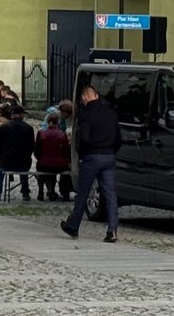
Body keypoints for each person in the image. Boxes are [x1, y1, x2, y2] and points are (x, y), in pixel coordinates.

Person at [61, 82, 121, 242]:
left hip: (92, 157)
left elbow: (85, 138)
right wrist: (112, 151)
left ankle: (73, 226)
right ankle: (112, 230)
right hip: (109, 156)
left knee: (83, 193)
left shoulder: (86, 114)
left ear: (84, 97)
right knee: (110, 194)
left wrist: (82, 153)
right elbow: (118, 138)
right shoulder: (111, 113)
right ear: (96, 95)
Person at [0, 105, 35, 201]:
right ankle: (25, 193)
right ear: (21, 115)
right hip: (23, 162)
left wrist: (2, 156)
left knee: (0, 169)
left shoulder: (4, 127)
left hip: (7, 161)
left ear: (12, 116)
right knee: (24, 170)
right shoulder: (28, 128)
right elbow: (31, 146)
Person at [34, 112, 71, 199]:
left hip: (43, 164)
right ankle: (52, 191)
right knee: (55, 170)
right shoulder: (62, 134)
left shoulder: (41, 133)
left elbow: (36, 150)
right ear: (58, 121)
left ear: (47, 121)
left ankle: (41, 191)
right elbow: (66, 150)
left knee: (41, 168)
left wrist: (40, 158)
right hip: (60, 165)